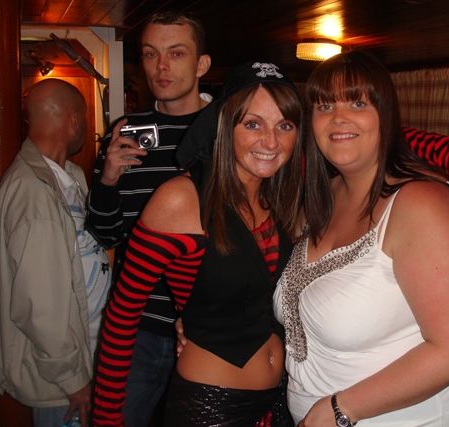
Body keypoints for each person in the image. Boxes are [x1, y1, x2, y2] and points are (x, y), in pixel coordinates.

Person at [273, 50, 449, 426]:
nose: (338, 117)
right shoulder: (321, 199)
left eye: (357, 103)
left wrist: (341, 409)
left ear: (385, 114)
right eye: (325, 106)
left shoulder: (423, 205)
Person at [93, 60, 305, 426]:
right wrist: (106, 421)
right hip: (210, 408)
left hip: (280, 402)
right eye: (252, 124)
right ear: (225, 124)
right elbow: (121, 316)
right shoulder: (181, 199)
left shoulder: (279, 200)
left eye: (284, 125)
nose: (271, 142)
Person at [85, 9, 212, 426]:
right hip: (135, 326)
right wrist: (107, 181)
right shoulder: (126, 130)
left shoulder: (229, 131)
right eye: (150, 54)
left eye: (176, 53)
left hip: (204, 327)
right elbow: (105, 233)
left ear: (201, 64)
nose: (161, 66)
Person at [0, 79, 111, 427]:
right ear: (74, 119)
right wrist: (73, 380)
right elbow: (40, 305)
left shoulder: (64, 178)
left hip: (84, 363)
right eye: (84, 118)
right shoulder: (33, 193)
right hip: (66, 386)